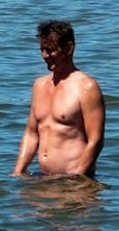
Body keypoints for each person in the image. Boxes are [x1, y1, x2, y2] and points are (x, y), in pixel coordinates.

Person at [13, 19, 106, 179]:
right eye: (42, 49)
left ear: (69, 48)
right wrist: (18, 171)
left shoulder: (86, 87)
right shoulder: (39, 85)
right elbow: (31, 134)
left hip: (74, 180)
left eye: (50, 50)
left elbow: (95, 140)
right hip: (43, 177)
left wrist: (78, 178)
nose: (44, 55)